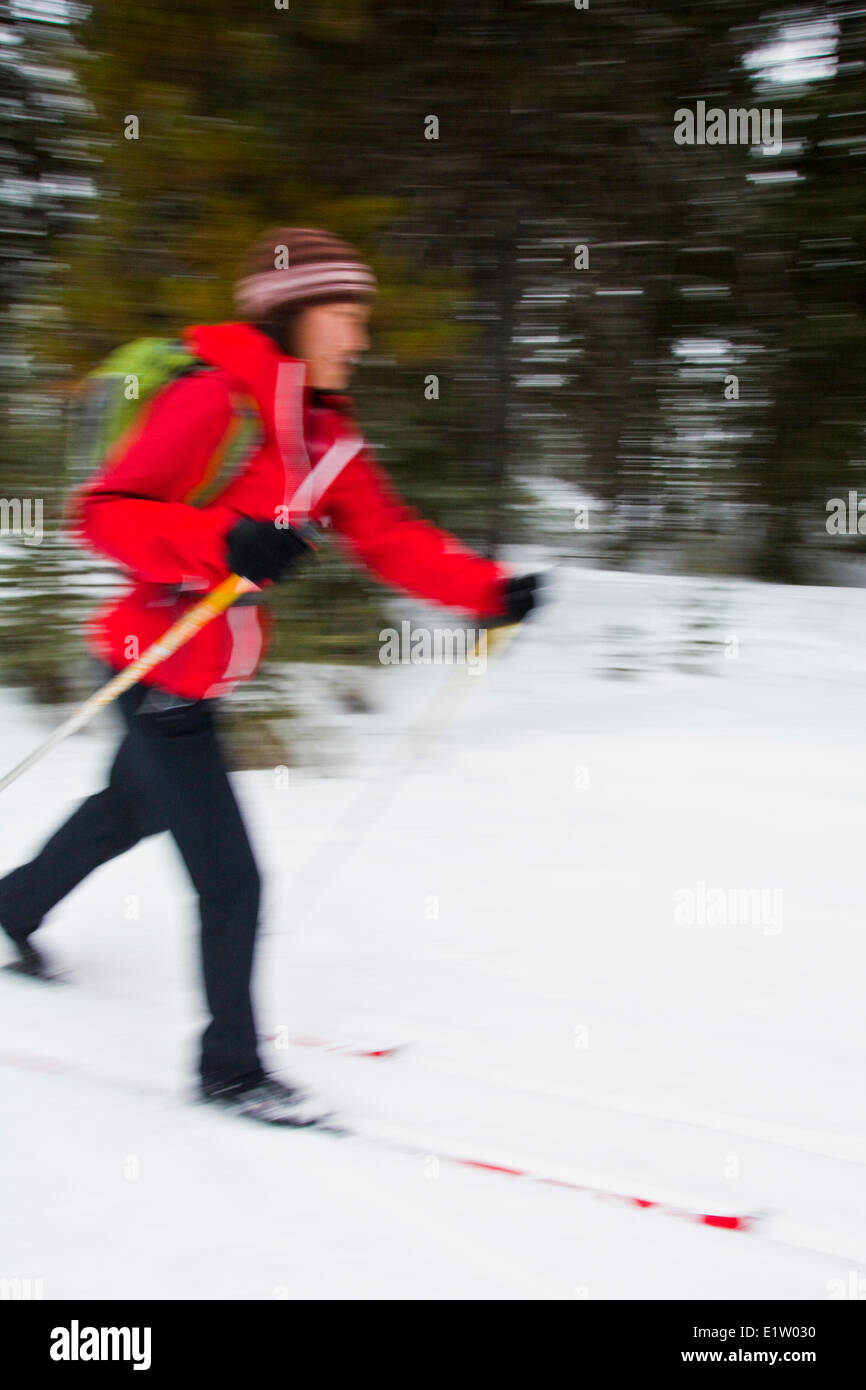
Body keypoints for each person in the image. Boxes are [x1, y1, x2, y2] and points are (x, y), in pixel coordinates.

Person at [0, 227, 541, 1126]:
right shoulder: (219, 400)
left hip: (199, 669)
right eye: (345, 315)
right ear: (293, 314)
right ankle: (230, 1070)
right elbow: (104, 515)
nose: (360, 337)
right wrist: (218, 542)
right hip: (155, 664)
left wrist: (488, 591)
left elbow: (390, 535)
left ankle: (12, 907)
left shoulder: (327, 434)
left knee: (127, 810)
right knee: (235, 878)